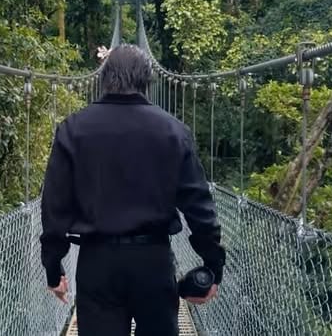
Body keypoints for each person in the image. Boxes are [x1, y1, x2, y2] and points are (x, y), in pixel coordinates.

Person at [40, 44, 224, 336]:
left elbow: (54, 204)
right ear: (147, 80)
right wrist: (213, 265)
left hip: (96, 263)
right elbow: (198, 205)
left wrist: (53, 265)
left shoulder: (73, 129)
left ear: (105, 78)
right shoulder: (173, 131)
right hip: (153, 262)